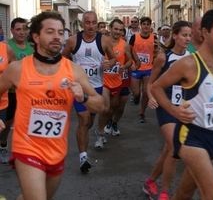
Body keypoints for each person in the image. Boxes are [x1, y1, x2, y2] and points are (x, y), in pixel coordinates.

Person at [0, 11, 104, 200]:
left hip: (57, 150)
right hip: (27, 147)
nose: (57, 36)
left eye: (60, 32)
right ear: (36, 37)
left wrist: (83, 98)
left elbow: (100, 105)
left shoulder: (73, 70)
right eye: (50, 32)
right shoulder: (17, 69)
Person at [151, 8, 213, 200]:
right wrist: (174, 110)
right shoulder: (188, 63)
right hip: (190, 135)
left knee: (185, 192)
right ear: (205, 33)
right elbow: (156, 87)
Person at [62, 11, 116, 172]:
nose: (91, 26)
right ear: (82, 24)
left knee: (90, 121)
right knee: (83, 119)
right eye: (87, 23)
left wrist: (109, 63)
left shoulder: (104, 41)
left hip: (96, 87)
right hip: (79, 87)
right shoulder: (73, 41)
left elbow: (113, 58)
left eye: (94, 23)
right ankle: (83, 157)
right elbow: (63, 60)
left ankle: (90, 134)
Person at [143, 21, 192, 200]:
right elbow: (151, 83)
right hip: (165, 105)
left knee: (167, 151)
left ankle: (150, 182)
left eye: (190, 35)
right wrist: (152, 97)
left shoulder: (191, 58)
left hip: (183, 108)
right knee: (175, 148)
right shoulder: (164, 57)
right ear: (175, 36)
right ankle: (164, 192)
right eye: (184, 35)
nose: (188, 38)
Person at [1, 17, 34, 164]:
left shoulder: (32, 48)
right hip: (9, 93)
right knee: (7, 123)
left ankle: (26, 151)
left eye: (24, 29)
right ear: (12, 30)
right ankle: (3, 145)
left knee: (27, 122)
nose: (22, 32)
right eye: (18, 29)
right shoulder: (6, 46)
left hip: (28, 93)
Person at [96, 19, 134, 147]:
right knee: (105, 108)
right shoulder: (101, 42)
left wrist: (124, 67)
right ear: (110, 28)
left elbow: (130, 61)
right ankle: (100, 133)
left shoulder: (124, 45)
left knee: (112, 109)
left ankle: (109, 124)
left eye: (120, 30)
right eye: (115, 29)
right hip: (104, 81)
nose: (118, 32)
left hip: (117, 81)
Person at [129, 16, 158, 123]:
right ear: (141, 25)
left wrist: (155, 63)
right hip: (136, 68)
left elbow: (156, 52)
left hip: (148, 68)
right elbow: (129, 51)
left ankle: (142, 113)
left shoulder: (153, 38)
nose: (146, 26)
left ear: (150, 26)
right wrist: (131, 64)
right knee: (136, 92)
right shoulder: (134, 37)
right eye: (144, 24)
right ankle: (136, 97)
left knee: (146, 92)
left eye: (148, 24)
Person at [0, 40, 17, 163]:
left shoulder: (6, 49)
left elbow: (17, 72)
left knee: (1, 130)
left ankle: (2, 147)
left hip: (2, 102)